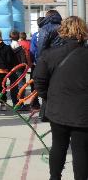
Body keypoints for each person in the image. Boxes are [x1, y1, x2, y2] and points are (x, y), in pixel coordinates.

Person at [34, 16, 88, 180]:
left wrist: (49, 97)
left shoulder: (49, 54)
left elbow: (39, 81)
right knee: (81, 150)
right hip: (82, 112)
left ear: (63, 31)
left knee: (58, 146)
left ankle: (54, 177)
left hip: (58, 109)